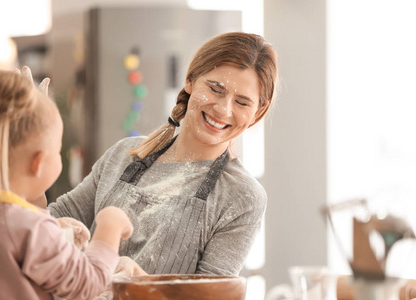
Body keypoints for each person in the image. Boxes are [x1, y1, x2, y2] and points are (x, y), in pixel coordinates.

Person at [48, 31, 279, 276]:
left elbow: (210, 294)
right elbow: (50, 220)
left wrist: (142, 284)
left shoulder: (242, 196)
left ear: (258, 111)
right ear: (190, 80)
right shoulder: (124, 155)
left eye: (242, 103)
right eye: (215, 89)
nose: (223, 110)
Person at [0, 69, 133, 299]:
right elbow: (88, 283)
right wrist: (109, 225)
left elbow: (13, 233)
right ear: (38, 162)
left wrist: (52, 231)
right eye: (57, 150)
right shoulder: (32, 230)